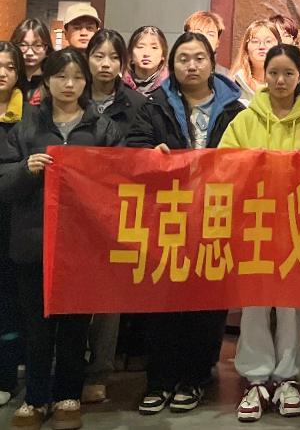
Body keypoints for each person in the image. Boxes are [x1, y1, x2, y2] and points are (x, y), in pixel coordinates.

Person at [0, 48, 124, 430]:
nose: (69, 85)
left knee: (74, 326)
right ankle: (35, 398)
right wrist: (26, 169)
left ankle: (68, 394)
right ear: (47, 81)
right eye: (60, 77)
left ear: (86, 82)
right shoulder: (26, 126)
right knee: (36, 327)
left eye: (77, 77)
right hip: (33, 244)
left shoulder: (102, 128)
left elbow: (122, 180)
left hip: (83, 246)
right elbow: (3, 184)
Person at [127, 32, 245, 416]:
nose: (191, 66)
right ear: (172, 64)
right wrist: (150, 154)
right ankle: (160, 379)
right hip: (169, 215)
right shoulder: (154, 106)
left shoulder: (235, 109)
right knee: (164, 298)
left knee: (207, 300)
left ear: (212, 63)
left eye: (199, 58)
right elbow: (133, 150)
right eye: (183, 59)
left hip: (216, 216)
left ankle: (196, 376)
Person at [219, 44, 300, 421]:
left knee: (291, 305)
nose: (281, 80)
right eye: (274, 73)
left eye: (288, 73)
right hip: (255, 225)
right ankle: (255, 378)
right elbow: (225, 163)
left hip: (297, 225)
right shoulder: (245, 119)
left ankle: (287, 377)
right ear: (264, 75)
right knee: (255, 302)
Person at [82, 30, 148, 404]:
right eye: (98, 56)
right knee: (72, 292)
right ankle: (67, 366)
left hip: (117, 210)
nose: (105, 64)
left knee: (107, 298)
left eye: (113, 57)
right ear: (87, 59)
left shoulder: (136, 104)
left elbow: (138, 155)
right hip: (75, 211)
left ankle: (98, 372)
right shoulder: (70, 96)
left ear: (123, 63)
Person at [0, 42, 25, 410]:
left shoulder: (30, 116)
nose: (1, 72)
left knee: (6, 302)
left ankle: (5, 377)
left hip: (10, 223)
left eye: (8, 66)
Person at [230, 19, 281, 104]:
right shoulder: (233, 85)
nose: (262, 46)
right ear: (246, 48)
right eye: (255, 41)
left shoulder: (290, 84)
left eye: (268, 41)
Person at [10, 19, 51, 102]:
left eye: (37, 45)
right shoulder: (7, 77)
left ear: (47, 48)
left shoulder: (53, 79)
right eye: (23, 45)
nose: (29, 53)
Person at [122, 26, 169, 97]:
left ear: (163, 55)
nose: (146, 53)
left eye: (154, 48)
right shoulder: (119, 84)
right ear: (130, 54)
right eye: (140, 47)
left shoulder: (171, 86)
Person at [184, 10, 229, 75]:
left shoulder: (226, 76)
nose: (204, 38)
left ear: (217, 43)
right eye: (198, 32)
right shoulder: (174, 72)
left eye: (210, 34)